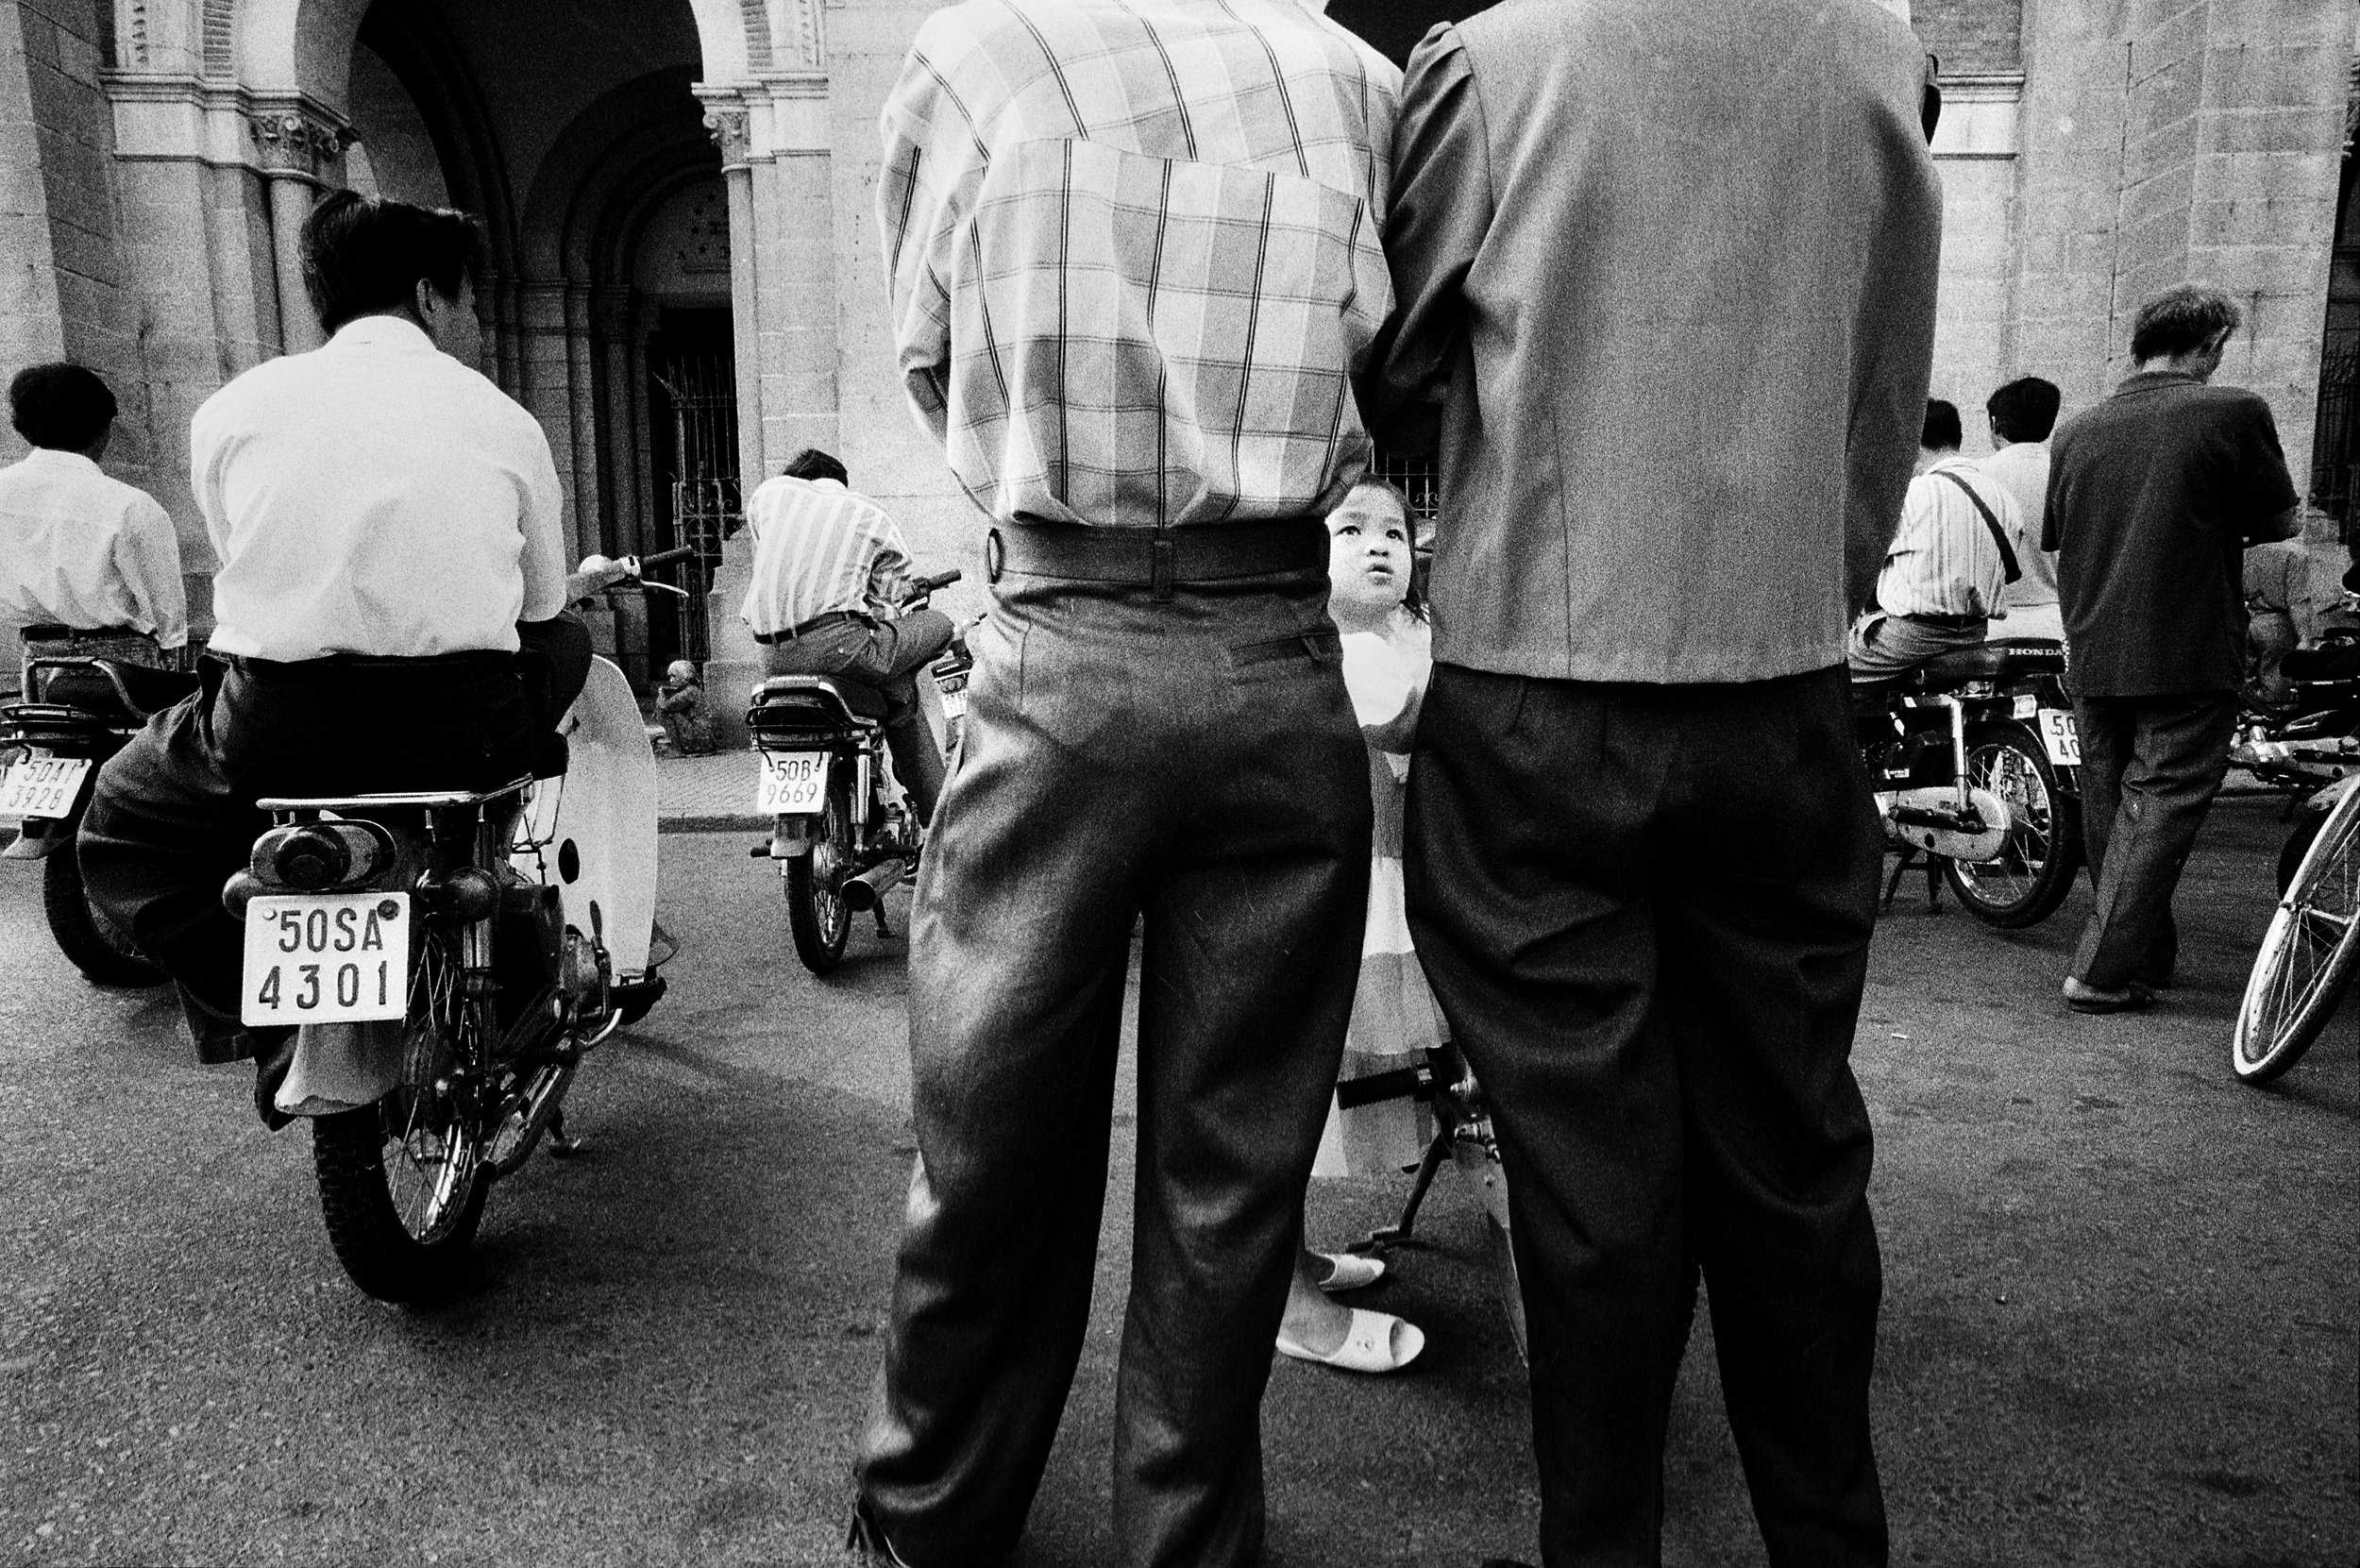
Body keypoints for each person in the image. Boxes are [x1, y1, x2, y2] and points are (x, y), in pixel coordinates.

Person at [1366, 1, 1941, 1563]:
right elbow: (1882, 336)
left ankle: (1601, 1546)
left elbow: (1404, 362)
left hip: (1545, 672)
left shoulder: (1491, 64)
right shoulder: (1876, 47)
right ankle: (1831, 1539)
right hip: (1784, 666)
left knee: (1590, 1178)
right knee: (1796, 1158)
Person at [852, 3, 1395, 1563]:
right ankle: (1189, 1540)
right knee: (1233, 1178)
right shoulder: (1362, 80)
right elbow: (1403, 383)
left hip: (1063, 646)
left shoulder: (981, 51)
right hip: (1283, 653)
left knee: (992, 1145)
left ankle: (929, 1518)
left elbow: (927, 347)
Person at [78, 190, 608, 1123]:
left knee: (122, 818)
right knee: (565, 636)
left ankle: (255, 1013)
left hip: (277, 729)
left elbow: (247, 549)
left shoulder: (235, 409)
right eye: (473, 299)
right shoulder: (504, 420)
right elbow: (541, 604)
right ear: (429, 296)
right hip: (462, 730)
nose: (478, 321)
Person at [2047, 283, 2301, 1014]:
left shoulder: (2078, 429)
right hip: (2186, 643)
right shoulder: (2231, 412)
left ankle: (2144, 955)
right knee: (2159, 803)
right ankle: (2100, 969)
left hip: (2094, 643)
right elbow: (2279, 520)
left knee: (2110, 802)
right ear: (2214, 341)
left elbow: (2059, 535)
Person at [1279, 477, 1435, 1378]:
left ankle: (1292, 1261)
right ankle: (1283, 1292)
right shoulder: (1332, 648)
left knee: (1340, 1084)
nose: (1380, 544)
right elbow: (1400, 721)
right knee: (1304, 1094)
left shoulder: (1413, 634)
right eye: (1352, 529)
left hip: (1403, 894)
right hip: (1350, 902)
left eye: (1396, 531)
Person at [740, 448, 951, 824]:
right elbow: (885, 602)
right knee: (938, 626)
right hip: (837, 647)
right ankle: (939, 823)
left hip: (769, 658)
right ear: (839, 482)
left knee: (894, 684)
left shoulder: (767, 497)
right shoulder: (868, 514)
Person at [0, 362, 188, 693]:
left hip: (37, 661)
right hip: (122, 667)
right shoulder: (130, 506)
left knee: (49, 741)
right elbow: (167, 619)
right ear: (103, 429)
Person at [1848, 399, 2019, 683]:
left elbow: (1860, 556)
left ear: (1913, 443)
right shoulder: (2003, 497)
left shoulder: (1912, 495)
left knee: (1832, 680)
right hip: (1975, 634)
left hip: (1910, 638)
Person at [1980, 375, 2065, 642]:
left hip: (1992, 625)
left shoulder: (1976, 476)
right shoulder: (2064, 474)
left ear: (1995, 423)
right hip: (2055, 621)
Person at [653, 659, 717, 755]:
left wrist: (661, 693)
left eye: (674, 676)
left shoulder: (690, 692)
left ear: (685, 677)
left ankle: (677, 749)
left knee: (663, 711)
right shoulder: (693, 690)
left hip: (700, 739)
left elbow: (666, 706)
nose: (671, 681)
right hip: (706, 740)